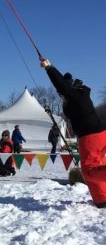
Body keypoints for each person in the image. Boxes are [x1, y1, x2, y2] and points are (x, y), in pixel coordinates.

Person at [40, 59, 106, 208]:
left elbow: (61, 85)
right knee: (94, 168)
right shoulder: (82, 96)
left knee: (89, 171)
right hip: (100, 133)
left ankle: (101, 198)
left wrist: (49, 68)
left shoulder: (74, 95)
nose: (60, 95)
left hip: (90, 136)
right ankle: (101, 199)